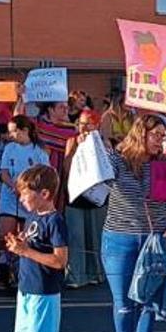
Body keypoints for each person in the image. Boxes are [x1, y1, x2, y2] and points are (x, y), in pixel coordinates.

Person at [97, 113, 166, 332]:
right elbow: (97, 180)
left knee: (148, 296)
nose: (160, 140)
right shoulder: (116, 159)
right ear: (141, 133)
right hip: (119, 236)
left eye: (163, 136)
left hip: (153, 239)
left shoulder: (164, 163)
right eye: (156, 135)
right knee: (122, 300)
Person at [6, 164, 70, 332]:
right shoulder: (33, 217)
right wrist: (19, 245)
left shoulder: (55, 221)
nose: (21, 198)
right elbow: (31, 245)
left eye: (25, 193)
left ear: (44, 194)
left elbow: (60, 260)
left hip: (44, 291)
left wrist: (26, 251)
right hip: (28, 289)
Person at [0, 115, 50, 292]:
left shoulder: (39, 151)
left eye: (14, 131)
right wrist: (13, 186)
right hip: (10, 197)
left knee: (26, 237)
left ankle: (20, 272)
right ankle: (0, 272)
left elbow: (45, 175)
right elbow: (3, 173)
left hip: (29, 200)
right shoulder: (9, 148)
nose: (11, 135)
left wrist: (28, 190)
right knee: (4, 234)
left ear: (25, 131)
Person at [62, 109, 108, 289]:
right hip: (76, 194)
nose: (84, 127)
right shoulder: (72, 141)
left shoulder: (104, 142)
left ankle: (96, 273)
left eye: (88, 123)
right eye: (81, 123)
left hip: (97, 195)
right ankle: (76, 275)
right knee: (76, 235)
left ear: (97, 125)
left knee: (96, 235)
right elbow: (66, 167)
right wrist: (76, 148)